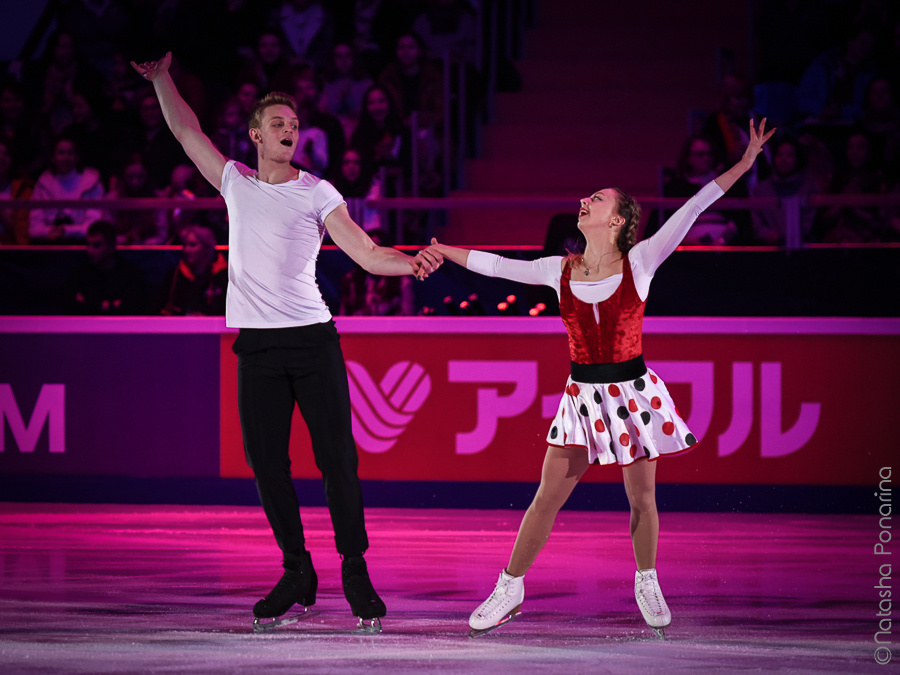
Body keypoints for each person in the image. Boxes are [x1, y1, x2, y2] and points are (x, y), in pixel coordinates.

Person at [424, 119, 775, 638]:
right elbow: (498, 267)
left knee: (641, 498)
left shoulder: (642, 260)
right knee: (546, 496)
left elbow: (693, 208)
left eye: (598, 198)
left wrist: (744, 165)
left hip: (633, 395)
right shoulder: (558, 269)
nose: (585, 201)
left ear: (619, 220)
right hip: (581, 397)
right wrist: (443, 249)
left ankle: (647, 579)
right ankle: (510, 586)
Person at [131, 51, 441, 632]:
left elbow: (368, 253)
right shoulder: (233, 181)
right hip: (258, 347)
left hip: (311, 341)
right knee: (266, 463)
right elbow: (183, 129)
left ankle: (354, 568)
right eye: (278, 124)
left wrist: (410, 264)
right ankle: (297, 569)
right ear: (254, 134)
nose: (290, 131)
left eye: (294, 125)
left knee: (337, 460)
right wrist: (163, 78)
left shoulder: (317, 191)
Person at [29, 136, 106, 243]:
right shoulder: (42, 185)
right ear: (52, 157)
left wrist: (66, 231)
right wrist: (48, 232)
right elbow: (34, 228)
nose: (66, 157)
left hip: (83, 245)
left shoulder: (91, 183)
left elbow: (93, 226)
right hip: (49, 245)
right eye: (61, 153)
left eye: (70, 153)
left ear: (77, 157)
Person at [65, 219, 147, 315]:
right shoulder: (79, 275)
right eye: (88, 244)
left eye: (97, 245)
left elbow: (133, 309)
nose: (90, 250)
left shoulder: (130, 275)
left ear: (111, 246)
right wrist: (111, 305)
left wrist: (90, 304)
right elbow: (72, 309)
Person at [160, 224, 228, 316]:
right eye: (185, 245)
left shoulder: (224, 276)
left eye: (192, 245)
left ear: (207, 247)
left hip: (216, 328)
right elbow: (161, 309)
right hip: (181, 328)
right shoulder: (175, 276)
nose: (187, 250)